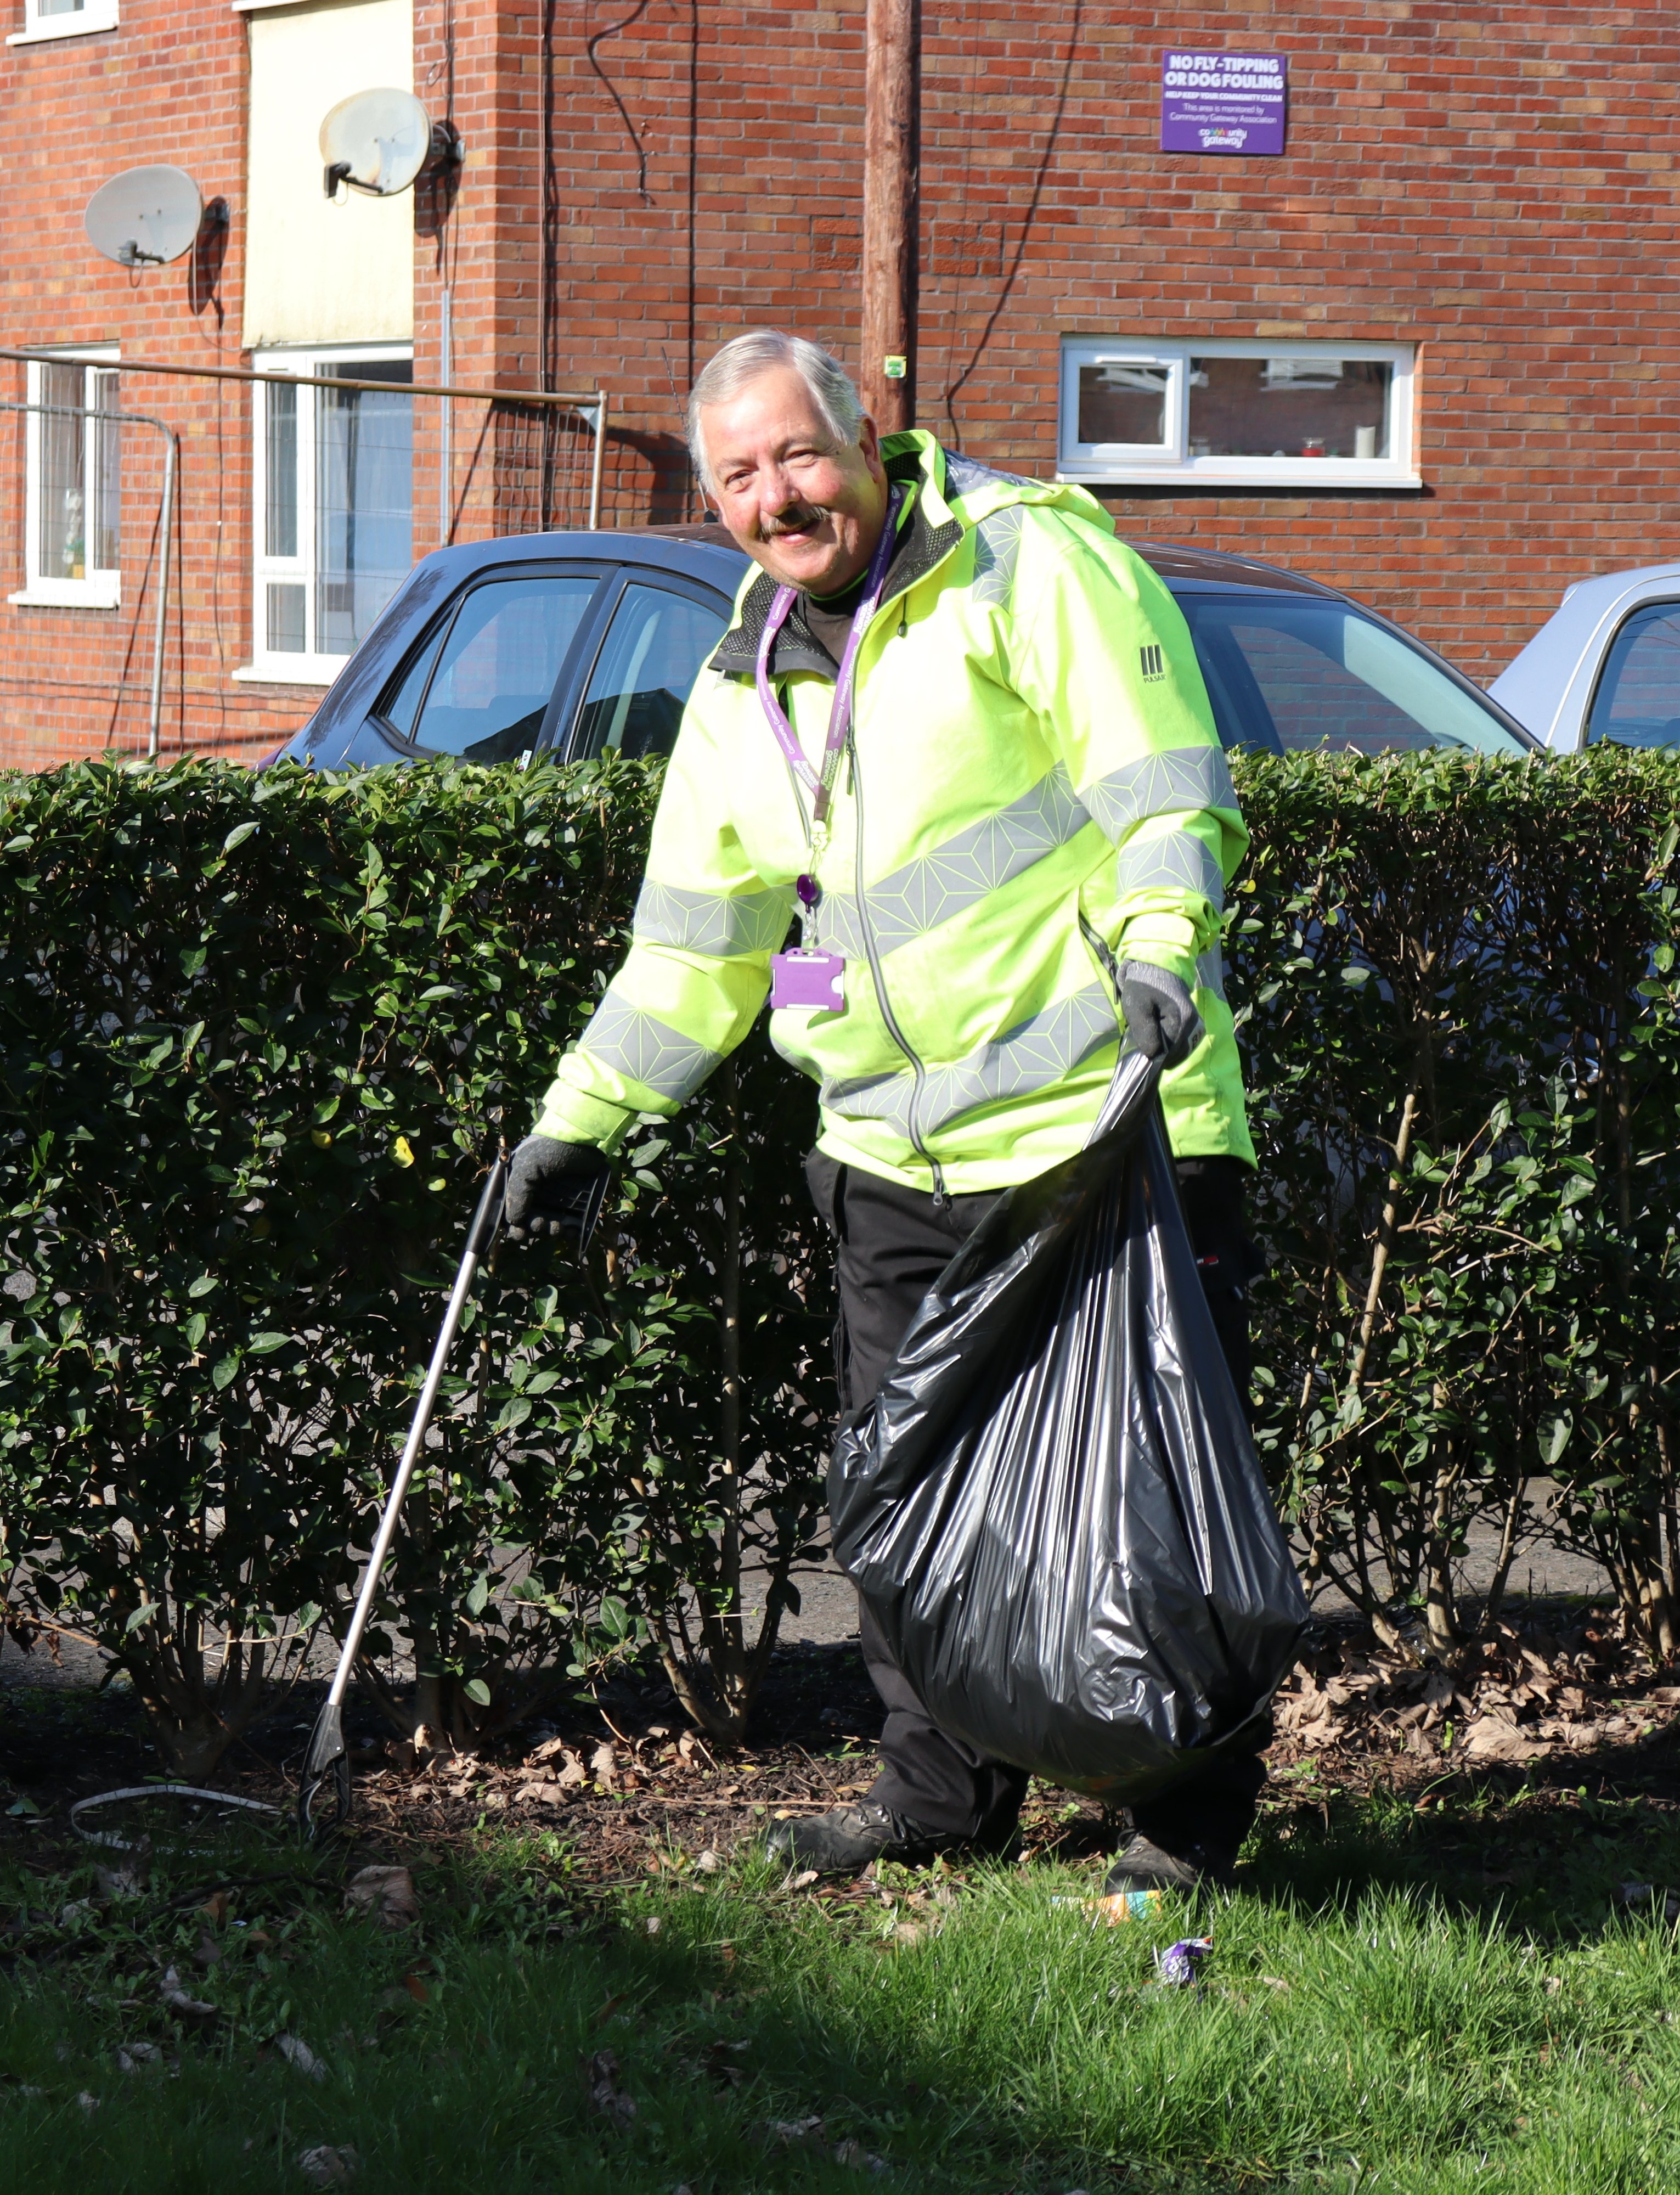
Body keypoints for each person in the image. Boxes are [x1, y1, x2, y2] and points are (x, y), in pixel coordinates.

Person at [500, 329, 1267, 1894]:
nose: (778, 496)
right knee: (905, 1510)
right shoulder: (741, 671)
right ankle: (941, 1798)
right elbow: (696, 949)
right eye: (738, 474)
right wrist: (579, 1117)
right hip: (891, 1159)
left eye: (797, 453)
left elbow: (1164, 788)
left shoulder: (1025, 565)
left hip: (1104, 1131)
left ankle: (1176, 1827)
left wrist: (1161, 950)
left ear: (868, 432)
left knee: (1148, 1505)